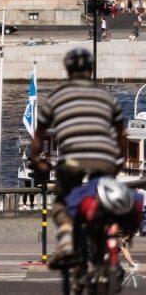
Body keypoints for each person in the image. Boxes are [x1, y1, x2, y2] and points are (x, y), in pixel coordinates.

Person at [32, 48, 126, 268]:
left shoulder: (57, 96)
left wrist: (37, 159)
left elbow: (39, 134)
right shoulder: (107, 96)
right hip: (104, 159)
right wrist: (119, 160)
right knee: (103, 199)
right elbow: (121, 133)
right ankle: (104, 242)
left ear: (67, 70)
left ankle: (66, 239)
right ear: (91, 70)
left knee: (62, 201)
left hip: (73, 160)